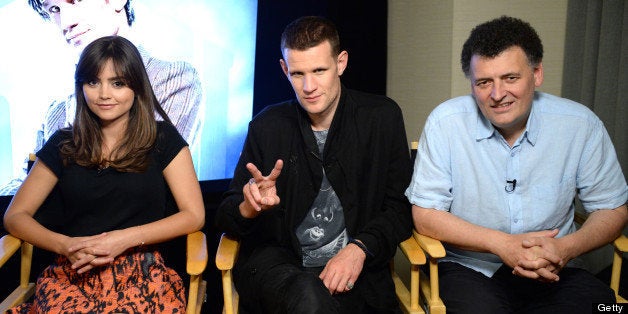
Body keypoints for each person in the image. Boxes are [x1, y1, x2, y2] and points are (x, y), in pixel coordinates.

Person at [406, 15, 628, 313]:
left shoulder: (580, 124)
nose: (497, 95)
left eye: (511, 78)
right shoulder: (445, 123)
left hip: (556, 266)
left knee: (606, 307)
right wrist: (501, 244)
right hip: (471, 267)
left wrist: (565, 248)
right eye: (484, 82)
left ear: (536, 74)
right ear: (472, 85)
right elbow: (425, 215)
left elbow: (612, 209)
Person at [215, 16, 413, 313]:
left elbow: (399, 207)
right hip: (279, 269)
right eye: (297, 73)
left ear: (341, 63)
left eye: (319, 70)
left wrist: (360, 248)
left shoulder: (381, 118)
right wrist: (249, 205)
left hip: (356, 270)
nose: (309, 86)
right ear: (284, 69)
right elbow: (227, 215)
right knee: (309, 296)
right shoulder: (267, 126)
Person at [2, 36, 205, 312]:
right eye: (93, 82)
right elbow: (15, 216)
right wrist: (65, 245)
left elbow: (194, 215)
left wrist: (122, 239)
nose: (104, 94)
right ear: (81, 86)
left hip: (142, 272)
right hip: (72, 273)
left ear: (137, 86)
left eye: (117, 83)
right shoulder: (64, 143)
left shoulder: (163, 139)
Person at [0, 0, 203, 195]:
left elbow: (150, 183)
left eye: (76, 0)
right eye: (54, 8)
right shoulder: (57, 111)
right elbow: (23, 187)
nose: (66, 22)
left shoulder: (174, 79)